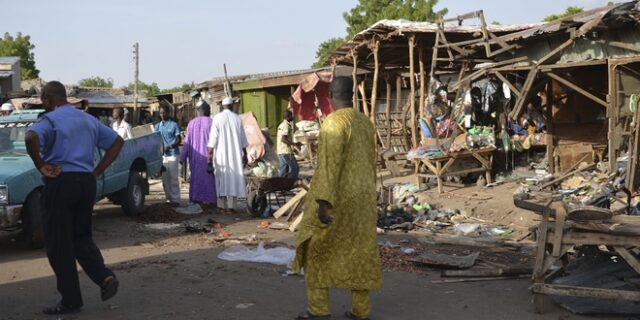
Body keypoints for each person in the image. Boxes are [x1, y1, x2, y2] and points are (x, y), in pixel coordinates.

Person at [24, 81, 124, 315]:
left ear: (48, 99)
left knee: (59, 243)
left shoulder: (50, 120)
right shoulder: (88, 119)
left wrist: (41, 165)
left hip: (60, 182)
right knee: (81, 236)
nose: (42, 103)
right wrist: (97, 171)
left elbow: (30, 138)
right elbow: (117, 142)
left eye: (43, 99)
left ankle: (70, 300)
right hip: (86, 182)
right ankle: (105, 277)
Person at [292, 77, 381, 320]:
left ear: (329, 94)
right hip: (363, 199)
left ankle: (319, 310)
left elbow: (329, 167)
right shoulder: (365, 123)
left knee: (315, 250)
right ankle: (361, 311)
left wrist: (323, 202)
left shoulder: (332, 124)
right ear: (352, 94)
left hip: (337, 199)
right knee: (359, 252)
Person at [208, 97, 248, 213]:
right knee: (233, 179)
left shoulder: (217, 118)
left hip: (220, 155)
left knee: (221, 179)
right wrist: (244, 154)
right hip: (235, 155)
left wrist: (209, 156)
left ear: (223, 106)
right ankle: (231, 207)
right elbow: (243, 139)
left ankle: (222, 206)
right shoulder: (237, 118)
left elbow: (213, 139)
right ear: (232, 106)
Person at [180, 101, 217, 206]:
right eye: (209, 110)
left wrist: (182, 158)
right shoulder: (212, 122)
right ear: (206, 110)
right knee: (209, 180)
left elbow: (187, 143)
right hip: (209, 158)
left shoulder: (191, 124)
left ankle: (196, 199)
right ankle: (210, 200)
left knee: (196, 179)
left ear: (198, 111)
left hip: (195, 159)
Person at [155, 104, 181, 207]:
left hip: (173, 154)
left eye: (164, 112)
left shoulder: (174, 125)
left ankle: (176, 199)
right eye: (160, 113)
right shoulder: (158, 126)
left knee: (173, 178)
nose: (162, 115)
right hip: (163, 155)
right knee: (165, 179)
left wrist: (169, 146)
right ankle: (169, 199)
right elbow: (156, 139)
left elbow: (179, 140)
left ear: (168, 113)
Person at [277, 110, 301, 178]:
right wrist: (295, 145)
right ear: (288, 116)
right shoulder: (286, 126)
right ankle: (291, 183)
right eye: (291, 115)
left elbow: (285, 139)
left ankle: (280, 184)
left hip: (280, 151)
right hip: (286, 151)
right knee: (295, 168)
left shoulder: (281, 125)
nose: (292, 117)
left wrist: (294, 144)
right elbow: (283, 139)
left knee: (284, 170)